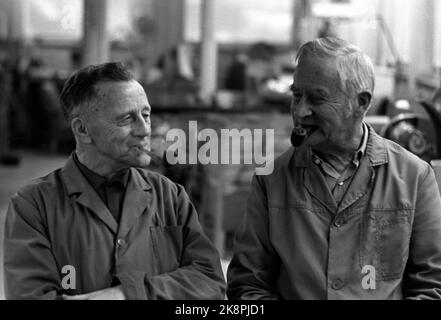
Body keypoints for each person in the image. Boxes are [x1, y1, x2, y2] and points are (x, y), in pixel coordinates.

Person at [227, 37, 441, 299]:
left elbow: (433, 285)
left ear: (361, 103)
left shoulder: (415, 177)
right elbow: (247, 285)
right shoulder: (271, 179)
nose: (301, 111)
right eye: (297, 96)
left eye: (317, 99)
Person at [3, 62, 226, 300]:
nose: (144, 130)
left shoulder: (171, 196)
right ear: (82, 130)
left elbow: (209, 280)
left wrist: (124, 295)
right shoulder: (33, 206)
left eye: (146, 115)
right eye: (127, 118)